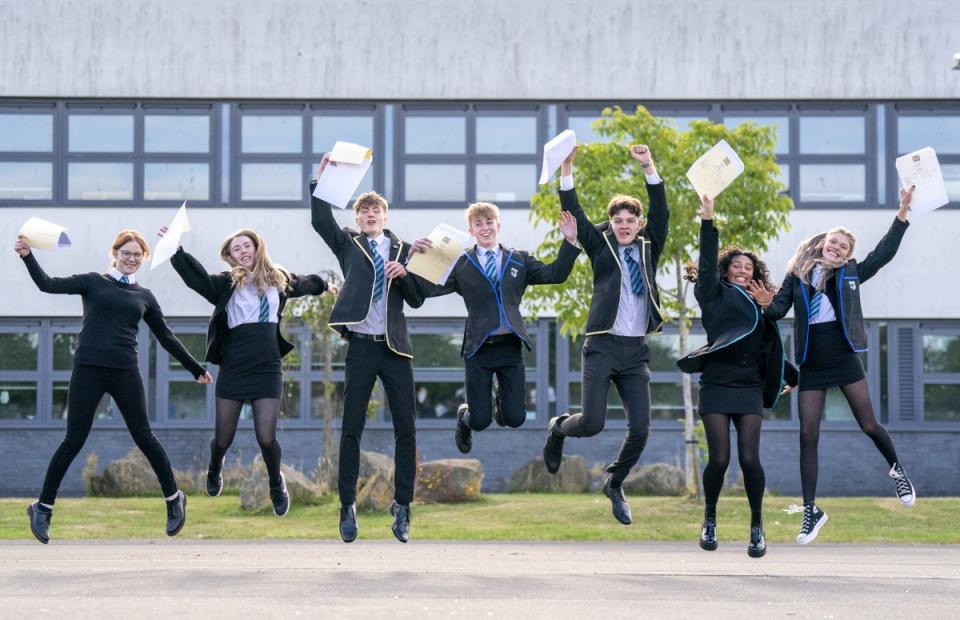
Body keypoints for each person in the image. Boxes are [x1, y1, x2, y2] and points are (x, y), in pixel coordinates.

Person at [17, 230, 212, 544]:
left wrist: (195, 369)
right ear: (115, 253)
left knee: (145, 437)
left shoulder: (145, 297)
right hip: (88, 369)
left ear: (142, 258)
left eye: (137, 255)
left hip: (124, 371)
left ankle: (175, 499)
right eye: (127, 253)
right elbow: (47, 284)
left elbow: (166, 337)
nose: (132, 259)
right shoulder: (93, 282)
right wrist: (28, 257)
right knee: (73, 440)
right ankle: (42, 508)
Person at [764, 186, 918, 545]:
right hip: (812, 363)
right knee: (807, 435)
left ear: (847, 253)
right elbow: (776, 312)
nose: (835, 248)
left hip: (844, 358)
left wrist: (902, 213)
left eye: (843, 247)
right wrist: (762, 302)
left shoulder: (850, 275)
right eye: (832, 243)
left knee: (868, 423)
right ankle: (810, 511)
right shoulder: (796, 277)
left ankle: (897, 470)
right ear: (822, 244)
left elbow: (883, 254)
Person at [163, 227, 333, 517]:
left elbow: (306, 282)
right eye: (236, 248)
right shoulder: (225, 283)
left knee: (266, 437)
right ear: (229, 256)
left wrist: (326, 286)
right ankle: (215, 469)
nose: (243, 251)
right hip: (234, 366)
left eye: (247, 245)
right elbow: (197, 278)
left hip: (267, 367)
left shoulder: (278, 279)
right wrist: (175, 249)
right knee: (223, 439)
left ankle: (276, 484)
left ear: (257, 247)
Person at [542, 144, 668, 525]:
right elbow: (575, 214)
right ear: (611, 224)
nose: (625, 225)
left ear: (639, 223)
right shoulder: (600, 248)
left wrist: (648, 165)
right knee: (592, 423)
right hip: (601, 346)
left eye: (631, 219)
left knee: (641, 430)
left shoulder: (650, 245)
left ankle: (615, 482)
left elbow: (662, 210)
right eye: (618, 221)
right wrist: (566, 170)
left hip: (635, 352)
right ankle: (558, 428)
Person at [311, 153, 424, 543]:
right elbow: (319, 219)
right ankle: (347, 506)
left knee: (406, 429)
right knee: (351, 429)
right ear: (358, 218)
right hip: (361, 346)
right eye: (364, 210)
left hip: (396, 350)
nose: (371, 214)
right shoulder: (348, 244)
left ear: (386, 216)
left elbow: (417, 299)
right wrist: (322, 179)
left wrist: (405, 273)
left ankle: (404, 506)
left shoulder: (406, 250)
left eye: (377, 210)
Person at [677, 195, 798, 558]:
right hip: (716, 384)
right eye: (737, 265)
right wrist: (707, 218)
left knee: (749, 460)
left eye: (749, 266)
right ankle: (710, 519)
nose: (743, 269)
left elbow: (769, 348)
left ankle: (757, 526)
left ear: (755, 272)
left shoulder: (764, 305)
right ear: (726, 270)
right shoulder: (712, 294)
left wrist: (787, 377)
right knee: (719, 460)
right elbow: (708, 262)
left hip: (748, 387)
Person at [410, 201, 580, 453]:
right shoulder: (461, 264)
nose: (485, 227)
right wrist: (415, 259)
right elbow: (425, 290)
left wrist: (569, 242)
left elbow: (555, 274)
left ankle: (501, 397)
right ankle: (464, 417)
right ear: (471, 230)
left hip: (510, 348)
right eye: (479, 224)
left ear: (498, 225)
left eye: (489, 222)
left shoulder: (518, 259)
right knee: (480, 421)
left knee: (515, 418)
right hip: (478, 349)